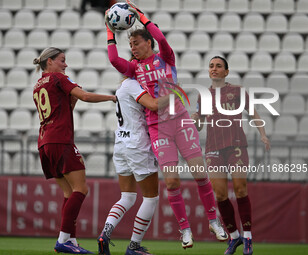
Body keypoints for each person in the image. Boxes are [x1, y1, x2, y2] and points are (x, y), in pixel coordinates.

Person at [105, 0, 228, 249]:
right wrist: (109, 28)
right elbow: (113, 59)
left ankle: (214, 221)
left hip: (180, 120)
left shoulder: (166, 58)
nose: (133, 48)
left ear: (148, 42)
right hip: (157, 127)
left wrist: (140, 15)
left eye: (136, 43)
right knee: (172, 182)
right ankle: (184, 230)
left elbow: (161, 38)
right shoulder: (133, 69)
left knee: (199, 174)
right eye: (130, 44)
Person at [32, 47, 116, 254]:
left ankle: (71, 240)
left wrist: (73, 97)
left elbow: (66, 107)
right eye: (62, 60)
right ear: (50, 62)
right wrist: (112, 98)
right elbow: (85, 96)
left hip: (44, 142)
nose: (65, 64)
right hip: (61, 140)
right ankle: (63, 241)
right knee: (81, 189)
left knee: (69, 193)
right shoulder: (58, 79)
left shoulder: (37, 85)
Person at [192, 56, 271, 255]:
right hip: (213, 148)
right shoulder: (204, 96)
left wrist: (263, 134)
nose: (214, 69)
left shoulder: (237, 91)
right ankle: (234, 237)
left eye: (219, 66)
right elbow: (200, 123)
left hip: (236, 147)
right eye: (211, 66)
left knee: (240, 189)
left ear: (226, 71)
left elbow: (253, 112)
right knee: (220, 194)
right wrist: (195, 119)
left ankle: (248, 237)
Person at [97, 77, 170, 255]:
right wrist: (173, 95)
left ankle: (104, 235)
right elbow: (152, 105)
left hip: (121, 143)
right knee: (150, 198)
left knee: (127, 197)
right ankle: (134, 246)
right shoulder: (132, 84)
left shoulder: (122, 85)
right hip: (136, 144)